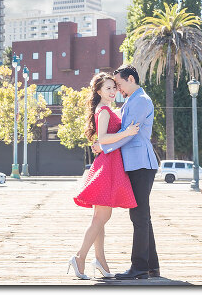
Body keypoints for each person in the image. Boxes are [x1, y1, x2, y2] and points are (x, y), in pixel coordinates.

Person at [68, 73, 140, 280]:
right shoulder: (104, 110)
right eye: (108, 88)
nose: (112, 91)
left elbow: (102, 140)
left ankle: (100, 260)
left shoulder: (107, 109)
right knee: (102, 217)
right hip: (107, 166)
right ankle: (80, 257)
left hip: (109, 164)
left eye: (114, 87)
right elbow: (103, 138)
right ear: (99, 91)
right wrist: (127, 132)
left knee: (99, 218)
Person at [92, 64, 160, 280]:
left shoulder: (140, 100)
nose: (118, 89)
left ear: (131, 79)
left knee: (139, 216)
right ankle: (151, 267)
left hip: (141, 163)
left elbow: (128, 133)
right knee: (142, 216)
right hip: (135, 163)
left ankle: (139, 268)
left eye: (119, 84)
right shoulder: (132, 100)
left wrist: (104, 146)